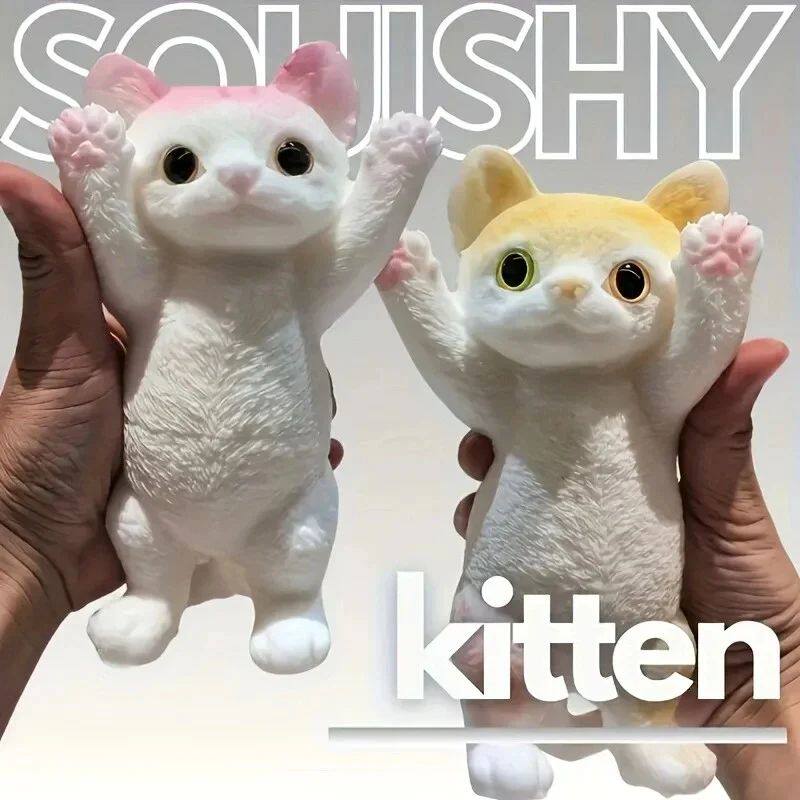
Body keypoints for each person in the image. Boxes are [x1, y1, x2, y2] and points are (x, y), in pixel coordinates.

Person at [0, 164, 796, 798]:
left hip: (639, 608)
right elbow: (455, 360)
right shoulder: (514, 390)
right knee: (490, 653)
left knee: (653, 656)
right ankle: (500, 736)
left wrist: (718, 281)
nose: (568, 291)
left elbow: (694, 356)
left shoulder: (647, 395)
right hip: (507, 600)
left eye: (628, 282)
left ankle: (639, 732)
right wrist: (413, 288)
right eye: (519, 269)